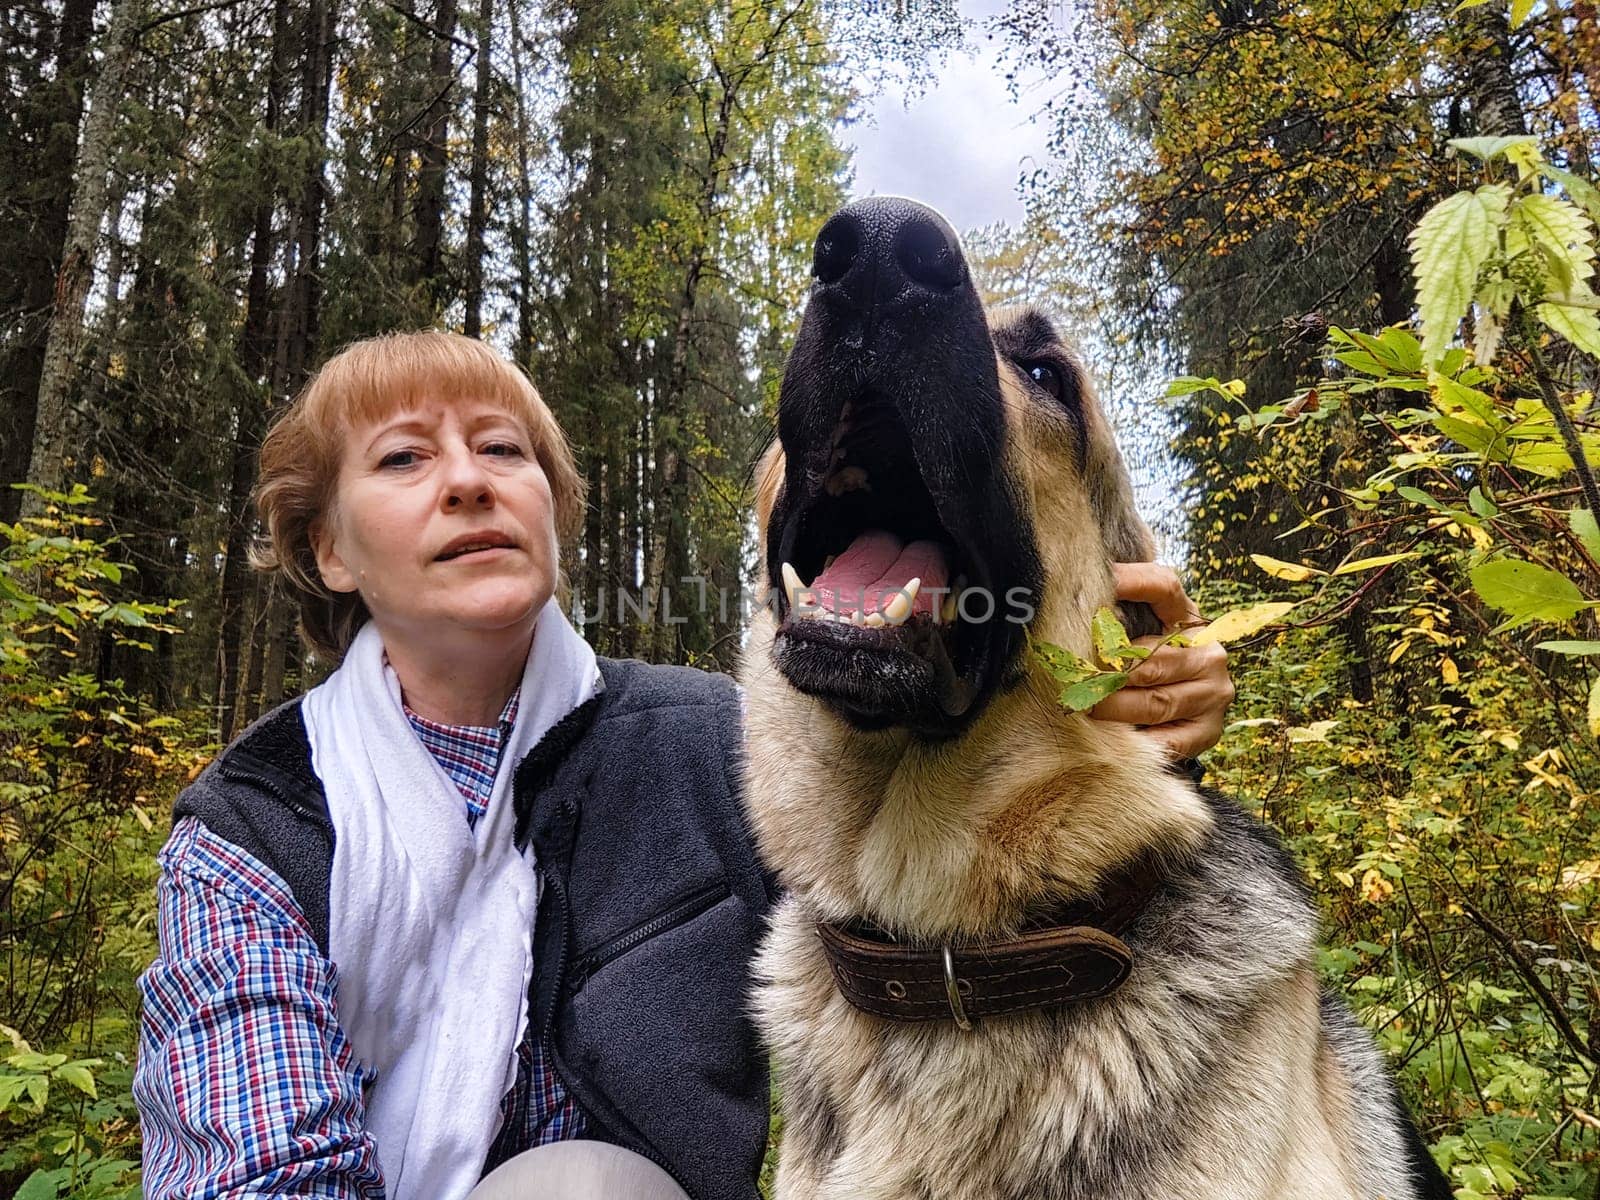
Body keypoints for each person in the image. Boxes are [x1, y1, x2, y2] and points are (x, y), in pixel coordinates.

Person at [132, 330, 1236, 1200]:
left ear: (555, 515)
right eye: (405, 457)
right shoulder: (256, 828)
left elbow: (962, 917)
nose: (467, 482)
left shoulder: (721, 747)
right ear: (329, 550)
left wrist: (1120, 709)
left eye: (503, 449)